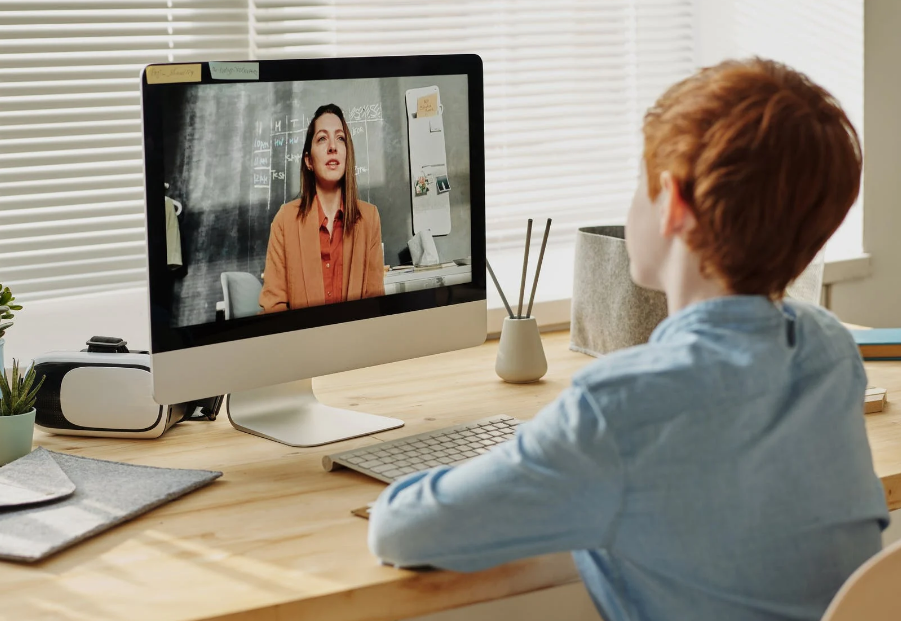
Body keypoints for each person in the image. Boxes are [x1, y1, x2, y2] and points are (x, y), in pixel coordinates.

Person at [367, 58, 889, 621]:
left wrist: (520, 461)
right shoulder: (828, 350)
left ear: (674, 204)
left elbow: (402, 531)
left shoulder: (617, 410)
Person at [259, 104, 385, 313]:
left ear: (347, 154)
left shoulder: (369, 218)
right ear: (308, 160)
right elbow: (274, 307)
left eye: (340, 138)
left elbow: (375, 304)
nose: (332, 147)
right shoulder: (285, 220)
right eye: (322, 138)